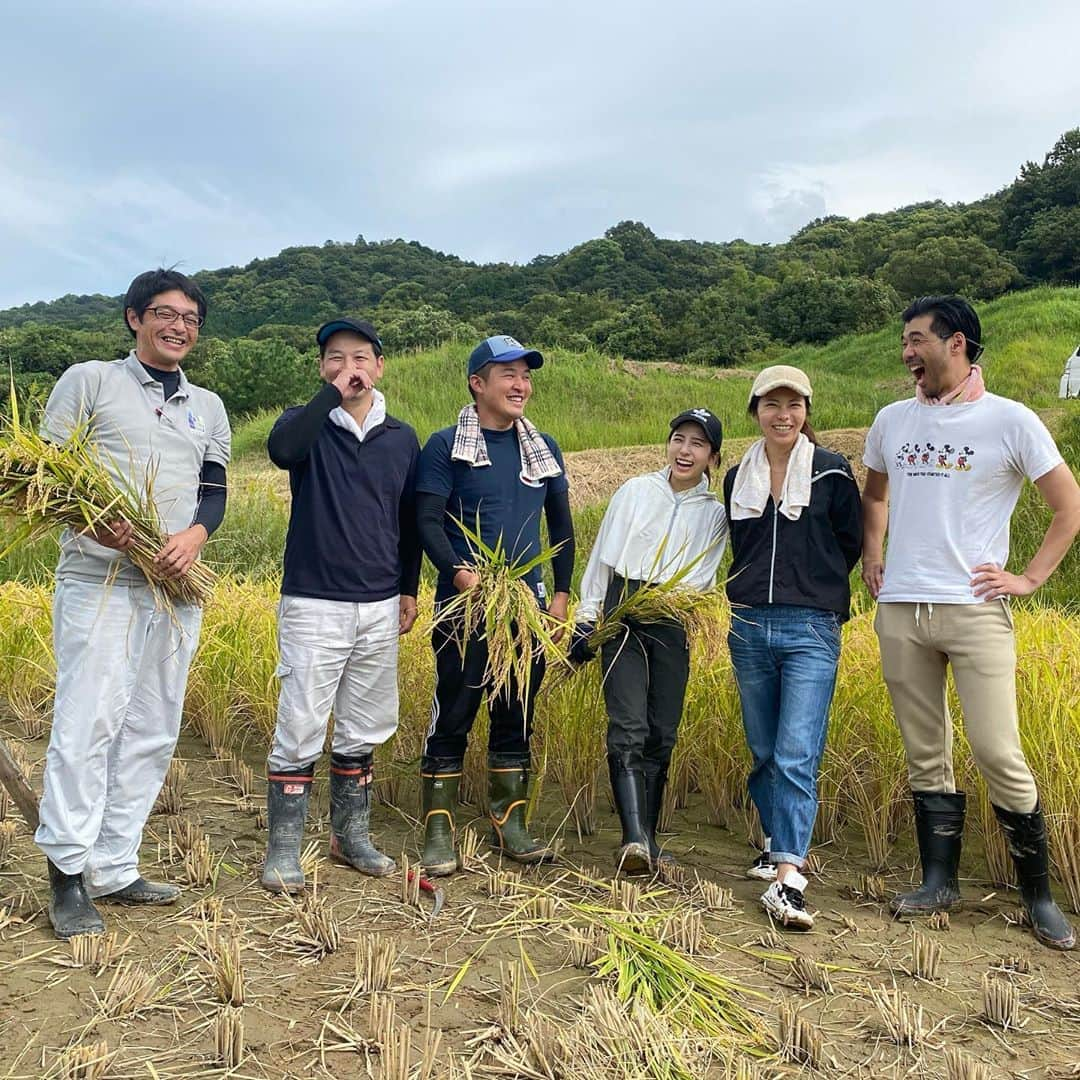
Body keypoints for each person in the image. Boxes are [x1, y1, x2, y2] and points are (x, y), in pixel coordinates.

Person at [862, 296, 1080, 951]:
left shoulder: (1010, 421)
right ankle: (938, 882)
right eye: (904, 339)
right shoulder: (892, 420)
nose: (907, 351)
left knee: (997, 752)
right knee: (926, 753)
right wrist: (872, 554)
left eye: (917, 338)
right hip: (901, 609)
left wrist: (1029, 578)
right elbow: (874, 494)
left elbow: (1068, 507)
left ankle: (1039, 897)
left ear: (957, 343)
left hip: (975, 611)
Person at [35, 269, 231, 939]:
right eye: (164, 313)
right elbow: (47, 477)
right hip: (102, 580)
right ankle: (67, 874)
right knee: (88, 722)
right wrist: (102, 530)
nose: (178, 326)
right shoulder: (90, 381)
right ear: (134, 318)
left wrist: (193, 537)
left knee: (152, 726)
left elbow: (215, 491)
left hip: (174, 588)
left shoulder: (207, 405)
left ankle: (114, 865)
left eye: (190, 318)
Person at [259, 319, 421, 893]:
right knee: (300, 720)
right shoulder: (304, 427)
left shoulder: (401, 438)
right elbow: (281, 451)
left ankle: (350, 836)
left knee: (362, 725)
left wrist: (409, 588)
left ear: (379, 366)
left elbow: (408, 520)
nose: (347, 366)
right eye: (333, 357)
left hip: (378, 603)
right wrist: (332, 393)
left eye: (358, 357)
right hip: (313, 600)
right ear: (322, 369)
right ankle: (283, 850)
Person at [415, 335, 575, 875]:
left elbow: (562, 528)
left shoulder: (543, 447)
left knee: (517, 713)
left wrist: (559, 592)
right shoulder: (444, 446)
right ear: (476, 383)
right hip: (465, 609)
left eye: (526, 375)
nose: (520, 384)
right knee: (455, 710)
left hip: (524, 608)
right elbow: (428, 520)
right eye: (506, 374)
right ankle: (438, 829)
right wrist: (459, 573)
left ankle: (512, 822)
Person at [724, 366, 862, 931]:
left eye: (794, 404)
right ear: (755, 410)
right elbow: (739, 544)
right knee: (762, 749)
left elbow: (849, 541)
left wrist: (816, 586)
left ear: (806, 410)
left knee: (796, 751)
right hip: (749, 623)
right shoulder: (738, 477)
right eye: (771, 404)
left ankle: (789, 878)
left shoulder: (831, 471)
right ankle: (775, 839)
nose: (783, 415)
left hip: (811, 627)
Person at [569, 409, 728, 872]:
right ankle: (633, 838)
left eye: (697, 444)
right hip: (624, 610)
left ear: (712, 457)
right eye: (678, 439)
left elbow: (700, 578)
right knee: (628, 726)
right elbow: (602, 560)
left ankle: (650, 840)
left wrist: (668, 603)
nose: (685, 450)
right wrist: (587, 619)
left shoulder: (715, 515)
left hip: (673, 617)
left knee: (662, 731)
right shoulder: (635, 492)